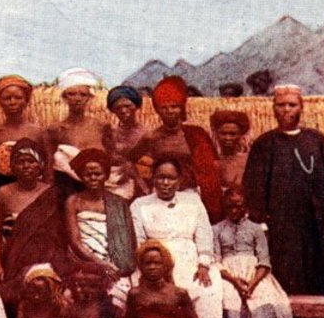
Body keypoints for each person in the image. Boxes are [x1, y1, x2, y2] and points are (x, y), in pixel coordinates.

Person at [242, 84, 324, 318]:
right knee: (286, 285)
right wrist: (261, 223)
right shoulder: (265, 145)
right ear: (273, 108)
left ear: (302, 107)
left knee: (320, 283)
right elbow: (253, 187)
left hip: (316, 229)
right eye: (281, 105)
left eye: (292, 105)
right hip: (281, 230)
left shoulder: (317, 141)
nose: (286, 110)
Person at [130, 157, 224, 318]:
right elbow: (139, 240)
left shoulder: (193, 202)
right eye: (161, 178)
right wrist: (155, 265)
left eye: (171, 178)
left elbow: (204, 234)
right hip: (155, 259)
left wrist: (203, 264)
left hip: (190, 257)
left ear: (179, 180)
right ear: (153, 179)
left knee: (208, 288)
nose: (165, 183)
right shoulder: (140, 205)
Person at [213, 188, 295, 318]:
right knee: (231, 302)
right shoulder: (216, 229)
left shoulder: (256, 229)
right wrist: (234, 281)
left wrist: (251, 284)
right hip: (228, 274)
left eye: (238, 206)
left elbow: (264, 262)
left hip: (255, 275)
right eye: (230, 206)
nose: (234, 210)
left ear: (245, 207)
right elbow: (215, 260)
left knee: (266, 300)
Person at [130, 75, 222, 222]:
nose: (170, 111)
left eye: (174, 106)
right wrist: (144, 188)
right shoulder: (152, 137)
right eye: (164, 107)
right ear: (157, 110)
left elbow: (215, 165)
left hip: (192, 194)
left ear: (182, 108)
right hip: (162, 195)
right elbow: (129, 161)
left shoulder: (196, 133)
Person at [0, 139, 70, 291]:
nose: (26, 166)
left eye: (31, 161)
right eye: (20, 162)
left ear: (41, 166)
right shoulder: (3, 193)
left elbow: (61, 236)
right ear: (12, 166)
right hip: (13, 260)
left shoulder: (53, 194)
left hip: (48, 260)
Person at [63, 148, 137, 308]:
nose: (93, 178)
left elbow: (128, 240)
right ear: (81, 176)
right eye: (88, 174)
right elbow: (75, 241)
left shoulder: (119, 203)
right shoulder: (73, 201)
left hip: (116, 264)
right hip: (84, 261)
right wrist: (100, 264)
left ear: (106, 175)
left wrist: (113, 265)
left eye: (98, 174)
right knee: (73, 299)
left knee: (119, 301)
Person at [45, 68, 116, 198]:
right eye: (72, 94)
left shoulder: (101, 127)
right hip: (68, 190)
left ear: (89, 98)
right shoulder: (55, 130)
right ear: (64, 98)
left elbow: (112, 157)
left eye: (83, 95)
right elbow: (50, 166)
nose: (77, 99)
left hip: (99, 189)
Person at [0, 75, 44, 205]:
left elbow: (47, 172)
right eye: (7, 98)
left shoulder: (38, 133)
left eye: (18, 97)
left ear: (26, 100)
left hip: (33, 194)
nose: (12, 102)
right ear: (0, 101)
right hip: (1, 194)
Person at [106, 85, 149, 197]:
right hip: (115, 181)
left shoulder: (147, 133)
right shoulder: (111, 133)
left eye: (127, 106)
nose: (123, 111)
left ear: (136, 106)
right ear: (113, 110)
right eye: (118, 108)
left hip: (143, 180)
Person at [210, 110, 250, 191]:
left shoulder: (248, 161)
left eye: (233, 134)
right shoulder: (210, 161)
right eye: (223, 133)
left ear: (240, 135)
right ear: (216, 134)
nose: (228, 138)